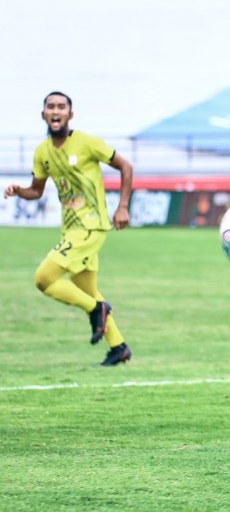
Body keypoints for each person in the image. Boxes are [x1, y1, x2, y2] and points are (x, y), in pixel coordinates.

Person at [4, 92, 134, 366]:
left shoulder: (87, 143)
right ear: (43, 114)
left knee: (44, 279)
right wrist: (19, 191)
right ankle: (118, 346)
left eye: (61, 107)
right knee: (85, 288)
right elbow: (36, 192)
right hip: (71, 230)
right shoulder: (42, 152)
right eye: (50, 106)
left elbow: (125, 166)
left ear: (70, 115)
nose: (56, 111)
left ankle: (95, 310)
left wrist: (122, 206)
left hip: (91, 226)